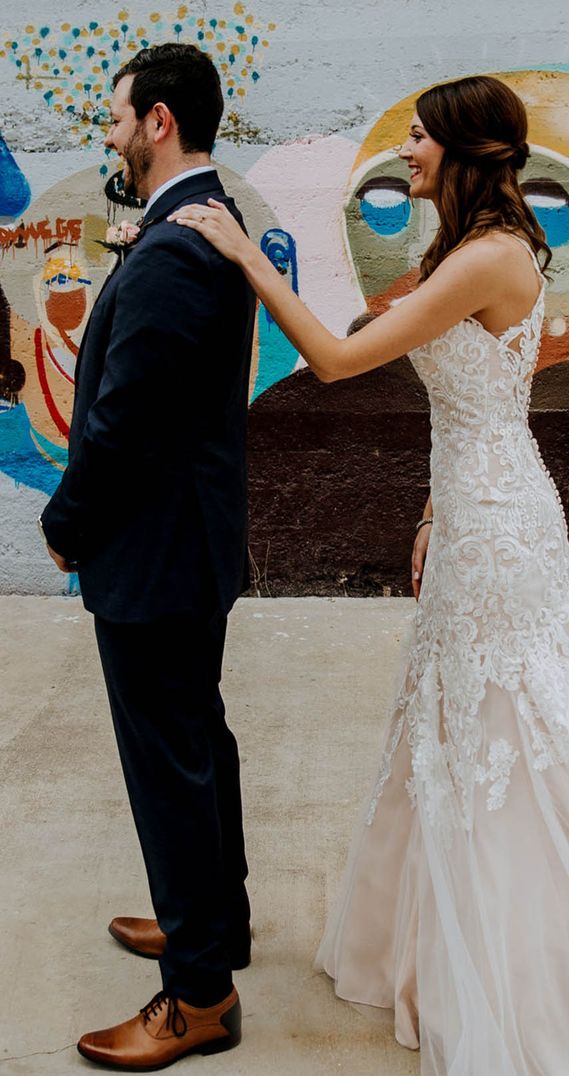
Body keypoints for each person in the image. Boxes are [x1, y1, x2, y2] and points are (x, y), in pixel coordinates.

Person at [173, 75, 569, 1074]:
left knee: (515, 732)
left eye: (418, 137)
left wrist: (248, 251)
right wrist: (430, 509)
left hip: (500, 529)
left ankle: (549, 954)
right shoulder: (477, 253)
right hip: (476, 508)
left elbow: (336, 362)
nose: (406, 151)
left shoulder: (484, 258)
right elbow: (481, 404)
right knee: (465, 729)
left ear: (462, 151)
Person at [39, 43, 254, 1070]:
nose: (111, 134)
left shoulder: (174, 245)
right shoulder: (197, 223)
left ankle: (200, 994)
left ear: (159, 119)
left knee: (168, 764)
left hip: (155, 553)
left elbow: (125, 420)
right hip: (184, 546)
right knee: (195, 742)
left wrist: (68, 520)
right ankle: (215, 924)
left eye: (119, 117)